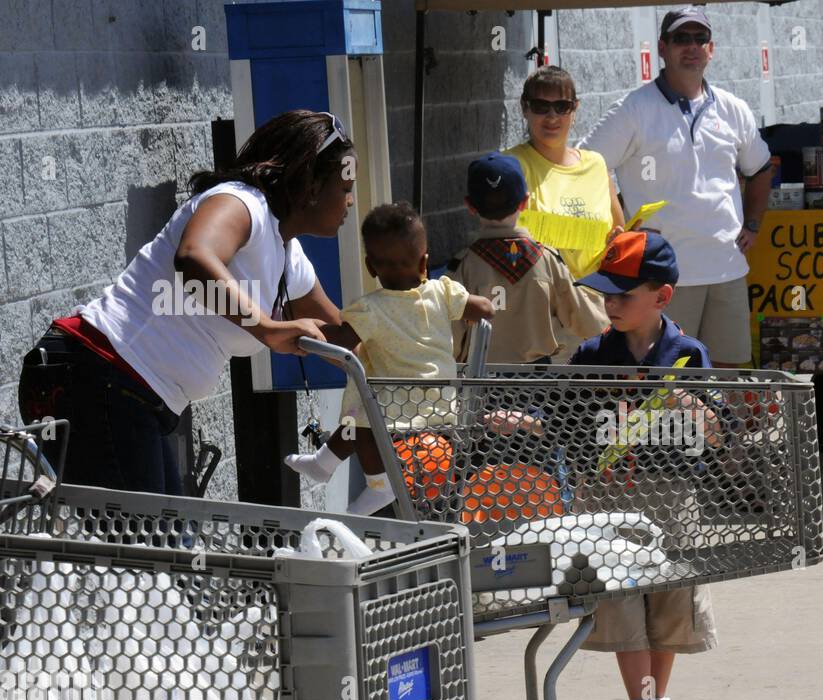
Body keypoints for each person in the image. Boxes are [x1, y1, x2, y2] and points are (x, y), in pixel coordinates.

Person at [18, 110, 349, 494]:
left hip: (131, 396)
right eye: (344, 188)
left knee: (168, 543)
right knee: (152, 547)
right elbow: (193, 260)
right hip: (99, 375)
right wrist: (267, 328)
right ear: (310, 183)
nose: (351, 201)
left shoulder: (287, 256)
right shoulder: (240, 203)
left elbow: (342, 339)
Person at [571, 230, 723, 700]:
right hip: (607, 494)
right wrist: (520, 419)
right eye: (606, 294)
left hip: (670, 493)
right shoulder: (592, 354)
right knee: (618, 597)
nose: (610, 303)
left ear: (661, 297)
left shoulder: (689, 352)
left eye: (623, 295)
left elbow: (717, 432)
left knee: (668, 596)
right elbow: (562, 420)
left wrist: (690, 403)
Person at [581, 5, 774, 368]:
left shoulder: (733, 109)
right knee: (666, 380)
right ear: (662, 47)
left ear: (711, 49)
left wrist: (752, 224)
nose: (692, 47)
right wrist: (619, 227)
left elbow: (761, 167)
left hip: (726, 267)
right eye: (681, 38)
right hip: (662, 275)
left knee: (729, 376)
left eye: (700, 39)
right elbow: (587, 166)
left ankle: (722, 429)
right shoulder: (634, 109)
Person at [284, 202, 494, 513]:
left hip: (394, 411)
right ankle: (323, 464)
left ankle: (377, 485)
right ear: (424, 262)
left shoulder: (370, 308)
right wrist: (471, 311)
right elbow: (485, 309)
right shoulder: (441, 292)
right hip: (441, 407)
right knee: (362, 415)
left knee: (361, 415)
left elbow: (342, 340)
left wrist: (302, 326)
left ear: (370, 267)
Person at [449, 152, 608, 365]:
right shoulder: (547, 260)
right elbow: (590, 323)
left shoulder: (463, 266)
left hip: (480, 384)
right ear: (525, 201)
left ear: (470, 205)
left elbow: (451, 339)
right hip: (536, 387)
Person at [505, 66, 626, 280]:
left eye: (562, 106)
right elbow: (503, 243)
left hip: (598, 301)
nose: (552, 116)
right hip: (544, 301)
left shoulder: (596, 164)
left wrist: (618, 242)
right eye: (541, 106)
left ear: (575, 109)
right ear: (525, 108)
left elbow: (619, 233)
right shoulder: (510, 166)